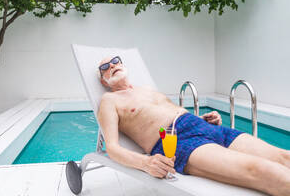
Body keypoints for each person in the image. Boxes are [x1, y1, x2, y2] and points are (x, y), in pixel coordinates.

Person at [97, 55, 290, 196]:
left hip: (205, 127)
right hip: (180, 143)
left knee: (284, 156)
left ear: (122, 64)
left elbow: (172, 113)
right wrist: (146, 163)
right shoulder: (109, 100)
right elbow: (112, 148)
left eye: (115, 61)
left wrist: (203, 119)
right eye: (104, 66)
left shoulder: (147, 90)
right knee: (262, 171)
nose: (111, 66)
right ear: (102, 80)